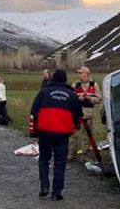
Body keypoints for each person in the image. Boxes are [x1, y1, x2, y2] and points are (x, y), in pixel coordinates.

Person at [30, 69, 82, 200]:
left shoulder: (43, 92)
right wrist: (76, 127)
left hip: (45, 132)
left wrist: (33, 131)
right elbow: (78, 115)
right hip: (62, 134)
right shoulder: (71, 94)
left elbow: (33, 112)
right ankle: (56, 192)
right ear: (65, 80)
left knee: (44, 159)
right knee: (60, 162)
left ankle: (44, 186)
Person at [69, 66, 102, 161]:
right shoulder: (75, 84)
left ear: (86, 74)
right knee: (73, 135)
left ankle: (84, 156)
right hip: (77, 114)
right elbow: (70, 98)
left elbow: (99, 99)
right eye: (78, 73)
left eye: (80, 73)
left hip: (89, 114)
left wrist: (90, 98)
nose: (79, 75)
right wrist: (78, 99)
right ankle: (70, 154)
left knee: (87, 136)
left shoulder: (94, 85)